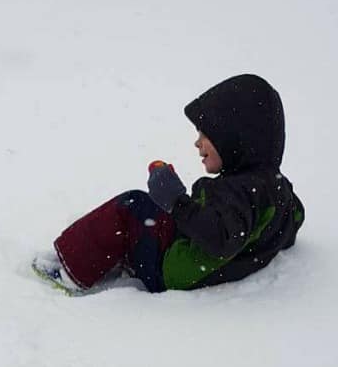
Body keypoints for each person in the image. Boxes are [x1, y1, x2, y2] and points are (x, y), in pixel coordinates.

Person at [32, 74, 305, 295]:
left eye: (205, 134)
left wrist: (176, 200)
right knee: (153, 217)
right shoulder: (275, 188)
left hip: (172, 272)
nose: (197, 143)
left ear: (236, 139)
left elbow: (220, 238)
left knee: (133, 206)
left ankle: (71, 270)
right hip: (191, 259)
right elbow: (295, 216)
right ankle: (118, 254)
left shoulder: (239, 191)